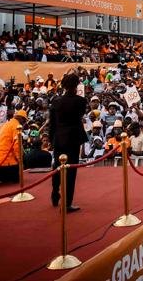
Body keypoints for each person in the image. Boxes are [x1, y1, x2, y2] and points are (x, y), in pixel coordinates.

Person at [49, 73, 88, 211]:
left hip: (59, 138)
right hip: (73, 139)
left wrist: (51, 139)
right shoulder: (81, 101)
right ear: (77, 85)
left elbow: (52, 124)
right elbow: (80, 116)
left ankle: (55, 193)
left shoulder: (56, 101)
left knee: (57, 167)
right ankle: (67, 203)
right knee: (71, 171)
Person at [0, 109, 27, 184]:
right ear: (21, 119)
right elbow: (17, 146)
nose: (24, 123)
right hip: (4, 160)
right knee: (16, 179)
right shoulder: (16, 126)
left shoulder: (4, 125)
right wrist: (20, 160)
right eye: (24, 121)